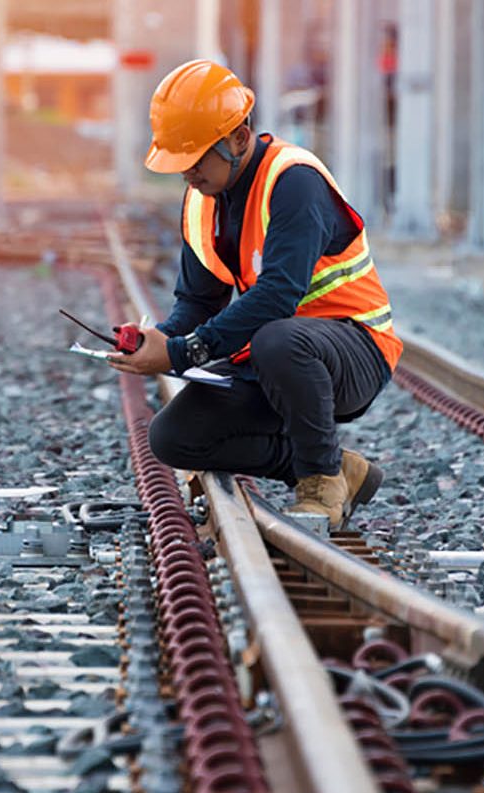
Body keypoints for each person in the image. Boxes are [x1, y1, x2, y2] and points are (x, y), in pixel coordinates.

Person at [107, 59, 401, 528]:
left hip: (354, 350)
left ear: (239, 138)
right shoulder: (203, 200)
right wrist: (158, 341)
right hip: (275, 359)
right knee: (173, 437)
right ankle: (336, 465)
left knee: (278, 339)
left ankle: (321, 484)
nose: (187, 173)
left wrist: (186, 352)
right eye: (180, 163)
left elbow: (278, 296)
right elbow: (198, 301)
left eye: (196, 159)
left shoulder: (293, 183)